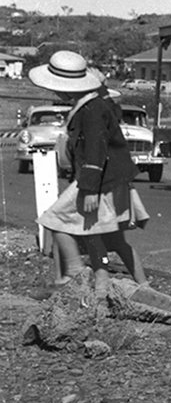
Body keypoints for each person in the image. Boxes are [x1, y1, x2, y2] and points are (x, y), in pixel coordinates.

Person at [31, 51, 149, 292]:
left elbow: (96, 150)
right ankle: (137, 285)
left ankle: (72, 275)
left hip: (98, 183)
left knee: (55, 220)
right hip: (109, 181)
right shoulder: (95, 105)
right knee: (107, 237)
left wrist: (89, 188)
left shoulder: (92, 110)